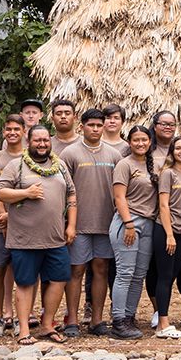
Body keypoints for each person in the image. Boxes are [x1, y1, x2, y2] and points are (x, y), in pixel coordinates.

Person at [0, 125, 77, 345]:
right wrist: (26, 193)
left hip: (55, 237)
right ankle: (23, 330)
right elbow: (0, 192)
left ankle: (47, 324)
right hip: (25, 238)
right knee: (25, 282)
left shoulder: (59, 166)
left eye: (45, 140)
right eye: (37, 140)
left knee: (59, 279)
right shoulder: (17, 166)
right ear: (28, 141)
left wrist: (71, 225)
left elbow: (71, 194)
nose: (42, 144)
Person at [60, 108, 123, 337]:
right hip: (79, 224)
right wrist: (68, 222)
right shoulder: (70, 153)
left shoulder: (114, 155)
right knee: (76, 270)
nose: (95, 129)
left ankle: (97, 320)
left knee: (101, 269)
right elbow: (63, 189)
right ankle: (73, 321)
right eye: (91, 125)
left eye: (99, 125)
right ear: (82, 126)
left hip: (106, 223)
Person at [146, 110, 181, 329]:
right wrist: (169, 234)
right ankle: (163, 323)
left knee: (180, 273)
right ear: (172, 152)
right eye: (178, 148)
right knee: (165, 276)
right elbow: (164, 204)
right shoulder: (167, 173)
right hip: (166, 230)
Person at [109, 125, 159, 340]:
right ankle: (118, 320)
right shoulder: (124, 164)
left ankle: (130, 317)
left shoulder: (154, 165)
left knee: (139, 275)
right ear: (129, 142)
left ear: (150, 142)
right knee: (125, 273)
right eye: (136, 140)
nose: (140, 144)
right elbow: (119, 197)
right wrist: (128, 223)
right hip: (128, 223)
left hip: (148, 224)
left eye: (144, 140)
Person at [0, 115, 25, 337]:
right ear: (3, 131)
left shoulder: (30, 157)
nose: (12, 133)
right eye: (8, 129)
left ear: (24, 131)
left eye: (16, 129)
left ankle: (21, 317)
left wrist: (14, 217)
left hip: (25, 224)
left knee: (24, 272)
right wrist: (4, 216)